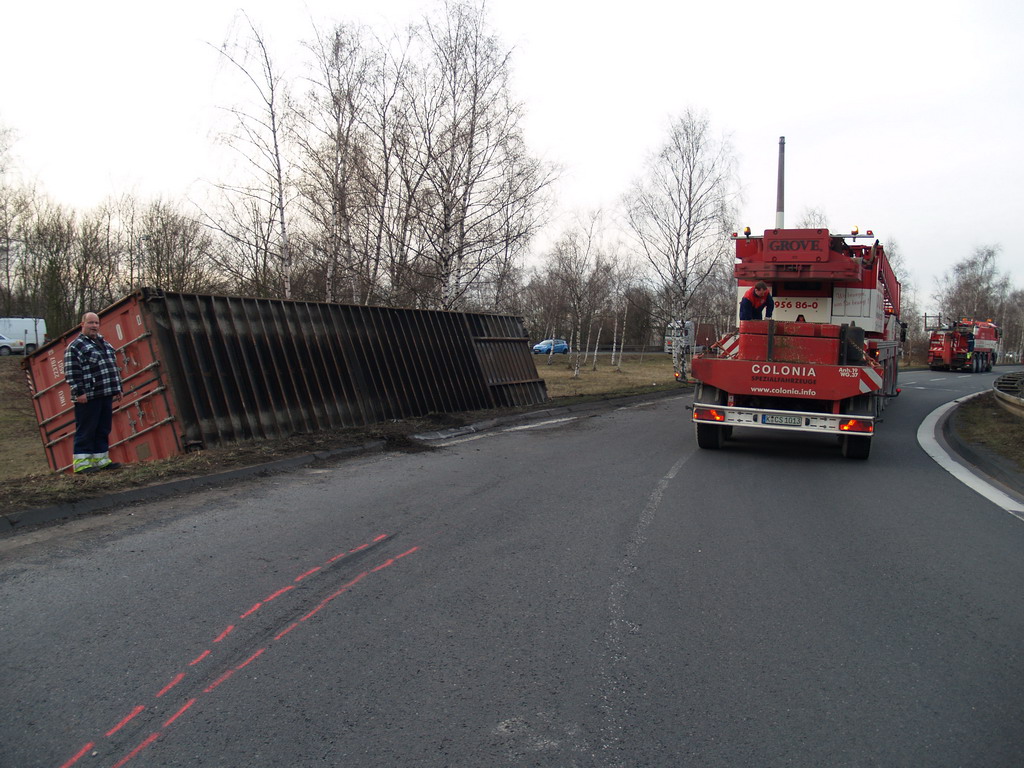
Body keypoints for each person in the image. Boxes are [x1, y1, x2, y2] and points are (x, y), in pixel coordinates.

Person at [64, 312, 123, 473]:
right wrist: (79, 392)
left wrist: (118, 388)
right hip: (88, 396)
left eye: (96, 323)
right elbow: (71, 372)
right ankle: (82, 464)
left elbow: (113, 367)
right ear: (82, 324)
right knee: (87, 429)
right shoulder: (75, 347)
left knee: (103, 428)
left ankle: (101, 461)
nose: (94, 326)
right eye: (90, 323)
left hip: (106, 393)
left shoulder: (104, 343)